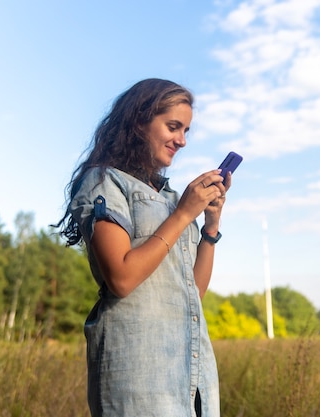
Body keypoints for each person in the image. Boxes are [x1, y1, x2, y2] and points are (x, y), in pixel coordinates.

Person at [56, 78, 232, 417]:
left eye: (186, 131)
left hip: (192, 376)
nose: (181, 140)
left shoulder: (168, 198)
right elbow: (121, 278)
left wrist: (210, 226)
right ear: (139, 122)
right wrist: (183, 213)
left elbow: (192, 292)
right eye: (173, 127)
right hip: (139, 378)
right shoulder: (105, 181)